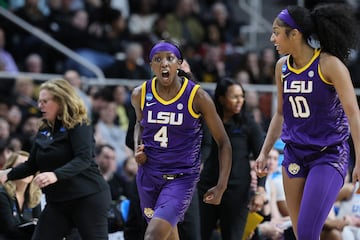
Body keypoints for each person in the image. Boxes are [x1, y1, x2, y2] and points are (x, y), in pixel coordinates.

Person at [255, 3, 360, 240]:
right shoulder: (282, 67)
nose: (272, 38)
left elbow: (354, 114)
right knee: (302, 234)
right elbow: (280, 114)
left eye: (276, 32)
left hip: (328, 154)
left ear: (295, 34)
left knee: (309, 231)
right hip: (294, 154)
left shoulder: (329, 64)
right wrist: (264, 151)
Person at [131, 40, 232, 240]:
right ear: (151, 66)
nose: (164, 64)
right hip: (149, 175)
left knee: (153, 236)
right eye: (157, 60)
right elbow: (139, 124)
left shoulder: (197, 96)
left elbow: (223, 142)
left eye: (170, 58)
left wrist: (222, 185)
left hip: (180, 178)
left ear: (179, 63)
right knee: (168, 236)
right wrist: (137, 147)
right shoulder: (140, 94)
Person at [0, 78, 111, 239]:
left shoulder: (79, 125)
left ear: (60, 101)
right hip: (58, 202)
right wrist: (7, 174)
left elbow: (83, 159)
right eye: (39, 101)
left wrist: (55, 175)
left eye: (45, 101)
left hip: (87, 196)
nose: (40, 106)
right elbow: (31, 165)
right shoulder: (44, 130)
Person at [197, 78, 266, 240]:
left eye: (241, 96)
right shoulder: (207, 121)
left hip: (237, 192)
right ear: (221, 98)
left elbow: (261, 158)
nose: (239, 101)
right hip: (206, 188)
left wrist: (261, 190)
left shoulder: (248, 124)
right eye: (234, 96)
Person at [0, 151, 42, 240]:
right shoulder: (2, 194)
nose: (26, 171)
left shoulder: (35, 196)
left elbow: (39, 225)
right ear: (10, 170)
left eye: (30, 167)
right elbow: (9, 229)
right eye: (21, 166)